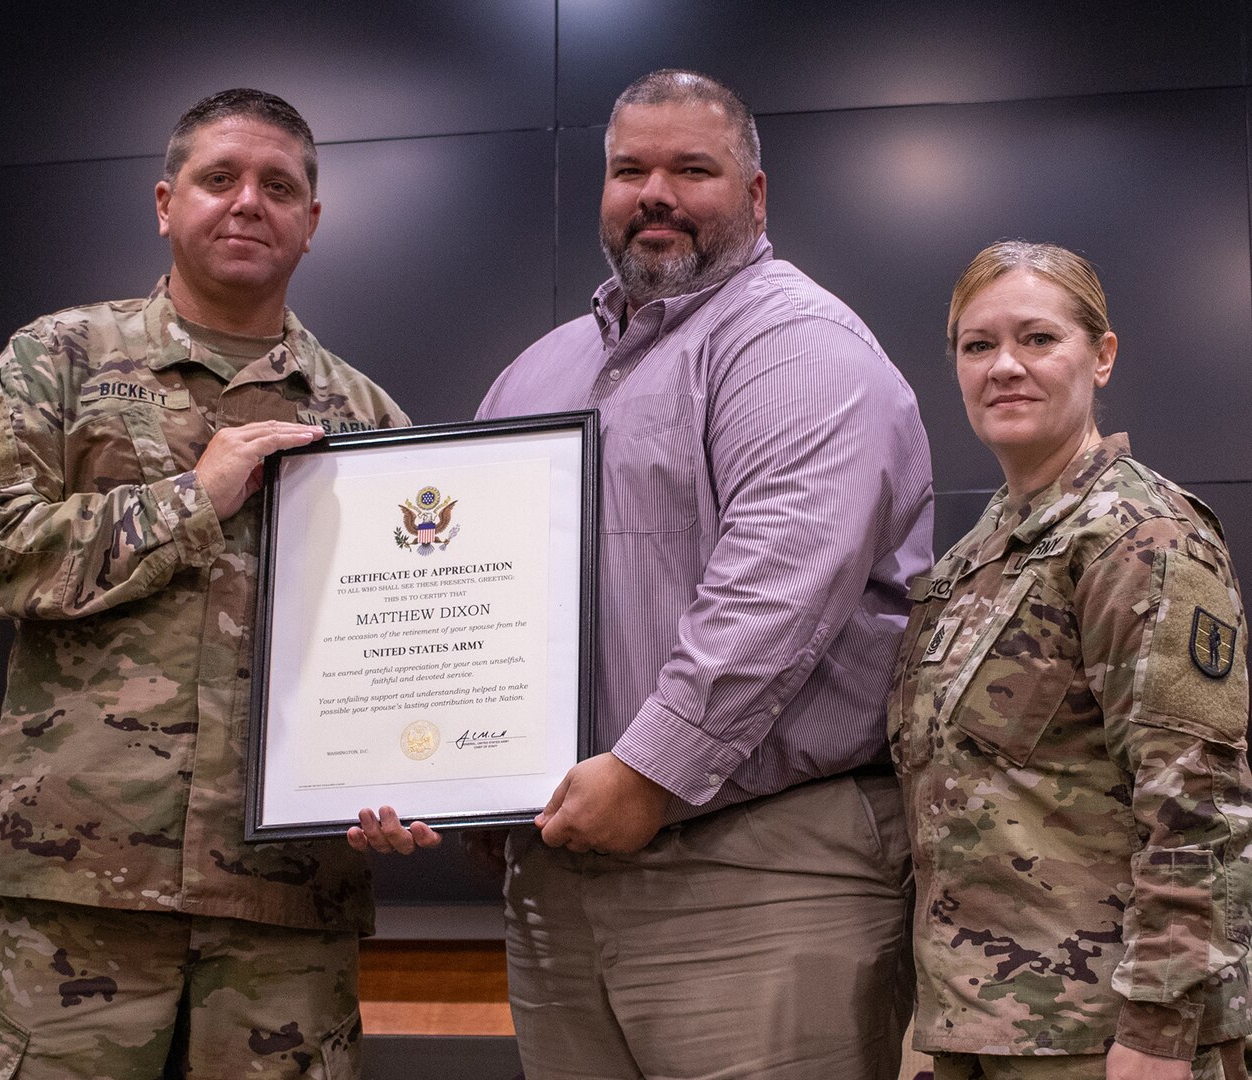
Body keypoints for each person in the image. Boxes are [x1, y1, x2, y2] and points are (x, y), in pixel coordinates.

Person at [360, 68, 931, 1079]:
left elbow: (778, 584)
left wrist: (648, 769)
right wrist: (448, 774)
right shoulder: (537, 375)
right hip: (563, 877)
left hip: (757, 873)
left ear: (755, 196)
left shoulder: (797, 347)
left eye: (691, 168)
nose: (653, 192)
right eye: (629, 169)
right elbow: (475, 597)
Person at [0, 89, 424, 1078]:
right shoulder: (59, 360)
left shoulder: (368, 417)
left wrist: (412, 777)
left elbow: (402, 642)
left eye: (278, 186)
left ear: (312, 223)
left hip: (286, 902)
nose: (248, 202)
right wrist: (187, 500)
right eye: (219, 178)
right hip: (79, 887)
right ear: (166, 202)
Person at [890, 240, 1252, 1080]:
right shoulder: (979, 554)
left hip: (1101, 1038)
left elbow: (1198, 805)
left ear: (1101, 355)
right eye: (977, 346)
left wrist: (1160, 1030)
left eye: (1037, 339)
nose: (1004, 367)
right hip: (978, 1029)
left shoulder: (1140, 537)